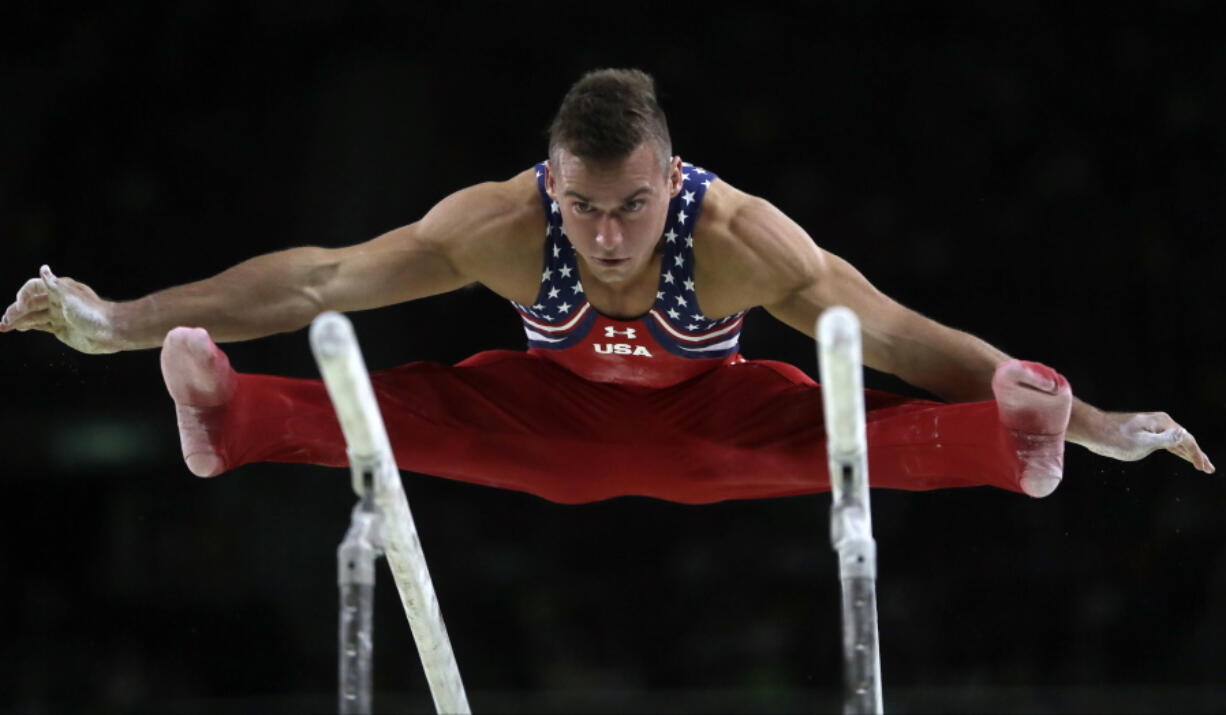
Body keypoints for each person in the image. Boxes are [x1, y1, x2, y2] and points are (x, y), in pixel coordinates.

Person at [0, 69, 1212, 504]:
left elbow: (886, 334)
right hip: (548, 408)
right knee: (407, 409)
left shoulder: (736, 236)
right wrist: (123, 321)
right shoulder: (500, 223)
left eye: (631, 204)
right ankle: (230, 413)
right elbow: (323, 277)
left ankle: (1023, 431)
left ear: (670, 174)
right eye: (582, 206)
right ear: (552, 181)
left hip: (716, 413)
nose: (607, 232)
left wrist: (1102, 423)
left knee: (834, 428)